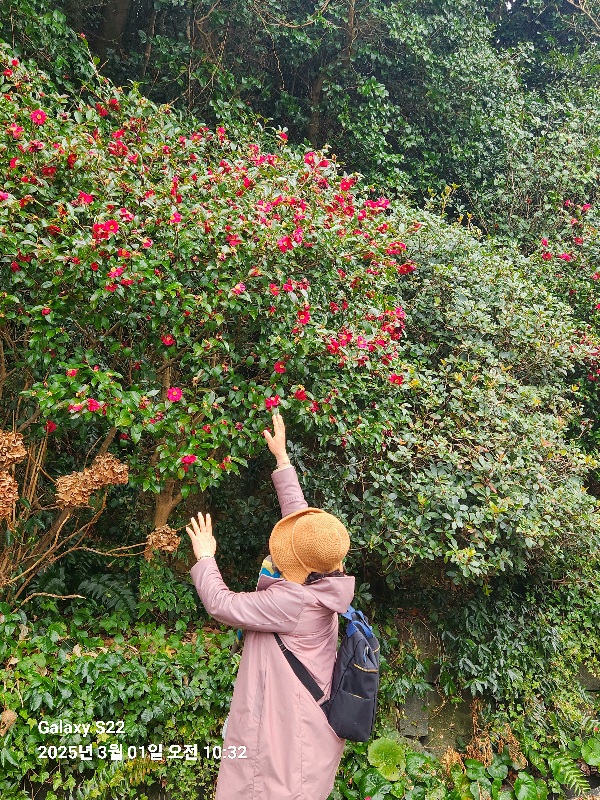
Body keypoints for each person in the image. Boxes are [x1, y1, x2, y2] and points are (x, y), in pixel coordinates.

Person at [187, 412, 355, 800]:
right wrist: (282, 459)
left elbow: (222, 604)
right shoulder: (327, 577)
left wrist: (206, 557)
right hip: (308, 718)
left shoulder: (291, 601)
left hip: (287, 734)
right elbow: (303, 531)